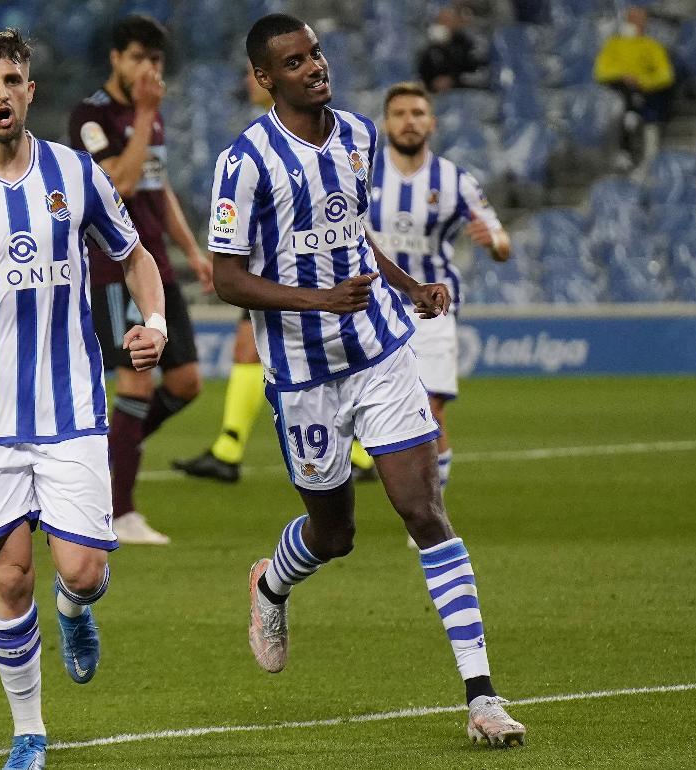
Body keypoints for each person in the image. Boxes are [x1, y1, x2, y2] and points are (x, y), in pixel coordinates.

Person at [210, 14, 526, 748]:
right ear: (267, 78)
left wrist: (407, 284)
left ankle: (482, 696)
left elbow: (352, 233)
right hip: (302, 376)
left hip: (380, 350)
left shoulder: (358, 135)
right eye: (295, 61)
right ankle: (272, 584)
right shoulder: (247, 162)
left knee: (424, 510)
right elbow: (227, 278)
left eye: (316, 53)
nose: (315, 67)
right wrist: (317, 300)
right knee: (335, 532)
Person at [0, 29, 166, 769]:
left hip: (71, 409)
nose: (1, 93)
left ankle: (76, 608)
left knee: (80, 570)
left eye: (12, 79)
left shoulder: (75, 174)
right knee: (11, 574)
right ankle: (29, 731)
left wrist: (155, 322)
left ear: (30, 91)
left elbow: (135, 254)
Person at [173, 65, 377, 484]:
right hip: (272, 272)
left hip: (308, 275)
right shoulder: (256, 141)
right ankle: (229, 448)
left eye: (253, 74)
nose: (247, 81)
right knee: (247, 346)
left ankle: (358, 451)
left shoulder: (325, 135)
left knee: (332, 354)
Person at [68, 15, 211, 545]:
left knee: (186, 382)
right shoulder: (91, 116)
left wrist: (194, 251)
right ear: (115, 58)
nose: (147, 69)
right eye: (137, 58)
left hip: (158, 267)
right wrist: (147, 112)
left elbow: (158, 186)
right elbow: (120, 185)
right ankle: (119, 511)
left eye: (155, 60)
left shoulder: (150, 117)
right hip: (115, 268)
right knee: (134, 382)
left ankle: (106, 459)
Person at [367, 81, 510, 505]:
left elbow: (502, 241)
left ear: (432, 122)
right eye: (399, 114)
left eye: (417, 114)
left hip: (431, 309)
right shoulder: (364, 174)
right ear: (386, 123)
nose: (409, 122)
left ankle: (428, 514)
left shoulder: (455, 180)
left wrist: (495, 241)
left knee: (430, 410)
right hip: (369, 306)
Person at [593, 5, 674, 169]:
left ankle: (648, 156)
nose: (638, 24)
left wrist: (642, 81)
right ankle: (625, 143)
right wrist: (623, 75)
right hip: (618, 89)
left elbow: (666, 75)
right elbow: (601, 71)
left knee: (645, 103)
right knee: (621, 99)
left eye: (641, 20)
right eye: (634, 19)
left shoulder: (652, 46)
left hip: (646, 92)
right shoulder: (613, 45)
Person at [417, 6, 490, 94]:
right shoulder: (430, 51)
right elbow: (422, 77)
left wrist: (454, 80)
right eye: (440, 21)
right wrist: (433, 85)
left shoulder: (467, 45)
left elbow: (480, 75)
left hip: (466, 95)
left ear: (456, 22)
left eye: (447, 21)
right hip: (438, 98)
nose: (443, 25)